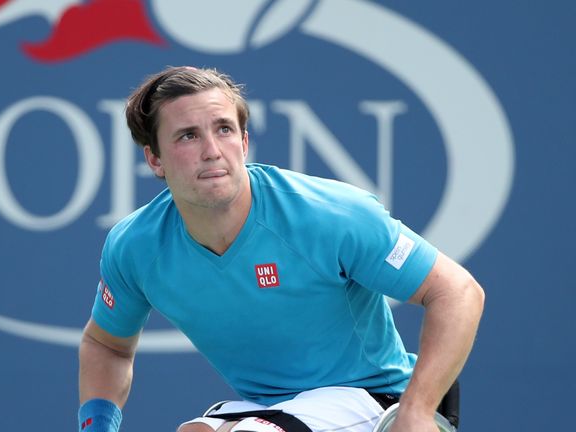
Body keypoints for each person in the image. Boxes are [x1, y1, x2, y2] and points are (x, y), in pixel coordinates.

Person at [77, 66, 485, 432]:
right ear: (155, 159)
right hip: (267, 408)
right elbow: (106, 345)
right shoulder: (135, 247)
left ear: (244, 140)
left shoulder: (330, 215)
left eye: (223, 129)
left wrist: (416, 411)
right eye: (188, 136)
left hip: (377, 401)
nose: (212, 150)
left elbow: (458, 291)